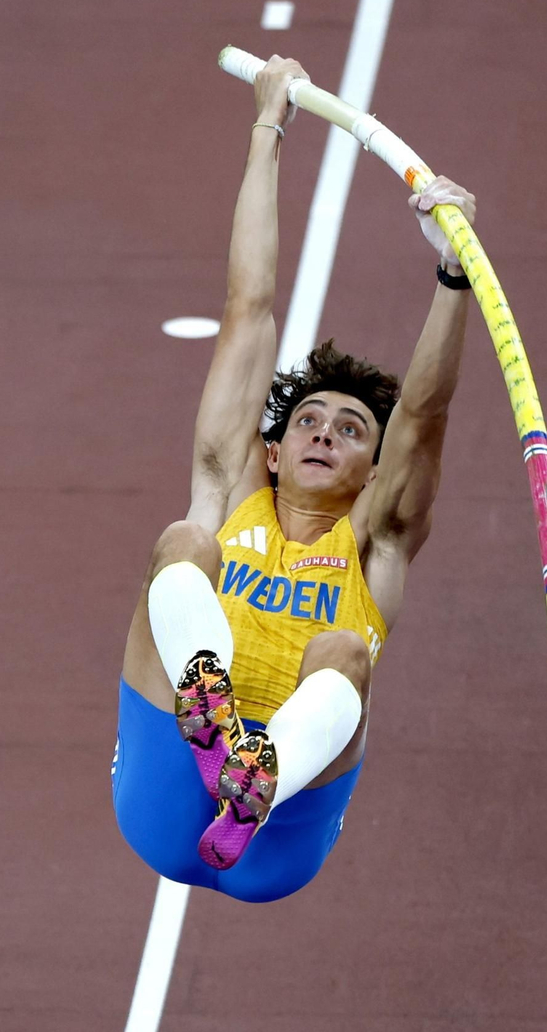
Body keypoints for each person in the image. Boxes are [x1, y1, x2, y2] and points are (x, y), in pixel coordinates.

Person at [112, 55, 478, 903]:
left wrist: (454, 271)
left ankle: (259, 767)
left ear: (370, 471)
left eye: (350, 430)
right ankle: (215, 719)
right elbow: (250, 307)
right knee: (186, 541)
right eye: (307, 419)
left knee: (346, 650)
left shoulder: (376, 545)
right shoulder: (233, 487)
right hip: (166, 784)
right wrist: (267, 129)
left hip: (281, 829)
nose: (322, 431)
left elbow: (422, 419)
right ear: (271, 451)